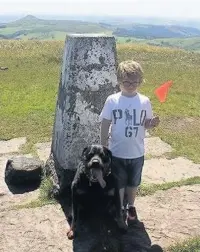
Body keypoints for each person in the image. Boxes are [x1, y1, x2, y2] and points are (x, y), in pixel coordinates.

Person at [99, 60, 160, 220]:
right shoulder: (112, 100)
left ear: (140, 81)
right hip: (117, 151)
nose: (131, 85)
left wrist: (151, 123)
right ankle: (120, 206)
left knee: (133, 183)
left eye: (135, 82)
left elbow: (145, 123)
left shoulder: (144, 101)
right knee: (119, 182)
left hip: (137, 152)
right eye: (127, 82)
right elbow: (105, 122)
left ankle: (131, 205)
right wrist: (103, 143)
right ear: (119, 80)